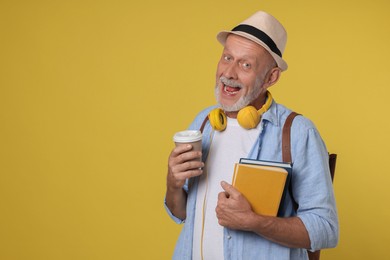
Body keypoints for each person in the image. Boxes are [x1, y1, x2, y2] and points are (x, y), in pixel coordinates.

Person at [164, 11, 339, 260]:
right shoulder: (202, 123)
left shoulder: (298, 132)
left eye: (246, 64)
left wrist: (254, 221)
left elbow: (326, 229)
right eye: (227, 57)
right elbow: (181, 213)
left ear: (271, 77)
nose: (229, 73)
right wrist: (172, 183)